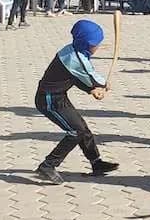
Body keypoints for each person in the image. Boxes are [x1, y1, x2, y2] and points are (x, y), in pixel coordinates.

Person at [33, 20, 119, 184]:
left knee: (82, 128)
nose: (97, 47)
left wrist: (91, 89)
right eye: (95, 44)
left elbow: (75, 76)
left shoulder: (74, 51)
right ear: (85, 44)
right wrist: (102, 85)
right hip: (48, 99)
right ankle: (48, 165)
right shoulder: (74, 58)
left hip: (58, 96)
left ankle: (96, 163)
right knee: (75, 131)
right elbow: (89, 75)